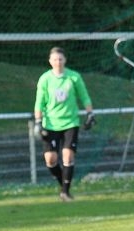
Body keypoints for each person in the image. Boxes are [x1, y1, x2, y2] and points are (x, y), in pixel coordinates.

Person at [33, 47, 95, 202]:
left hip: (70, 122)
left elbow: (84, 96)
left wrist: (90, 114)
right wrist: (38, 122)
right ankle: (64, 185)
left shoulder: (74, 77)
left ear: (65, 60)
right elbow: (39, 102)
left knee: (68, 155)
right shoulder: (45, 79)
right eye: (55, 59)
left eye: (60, 59)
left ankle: (65, 193)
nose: (58, 62)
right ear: (50, 61)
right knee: (50, 159)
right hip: (50, 123)